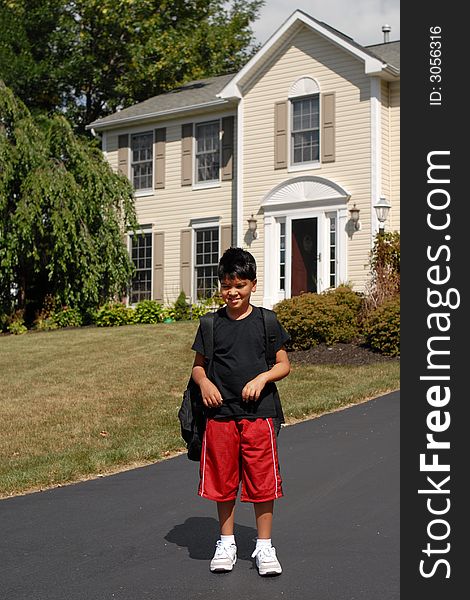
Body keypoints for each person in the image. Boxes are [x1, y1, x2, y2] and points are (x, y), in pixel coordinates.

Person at [191, 247, 291, 576]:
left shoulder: (267, 321)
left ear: (253, 285)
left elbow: (283, 364)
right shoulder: (210, 324)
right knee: (223, 480)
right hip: (220, 414)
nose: (233, 291)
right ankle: (227, 542)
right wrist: (205, 384)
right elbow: (198, 369)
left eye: (241, 284)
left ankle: (264, 547)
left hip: (259, 413)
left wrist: (262, 378)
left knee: (262, 480)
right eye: (226, 284)